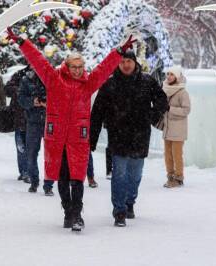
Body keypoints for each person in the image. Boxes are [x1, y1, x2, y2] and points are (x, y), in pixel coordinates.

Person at [7, 27, 136, 232]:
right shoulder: (54, 79)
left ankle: (77, 214)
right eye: (74, 66)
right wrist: (23, 43)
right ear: (66, 66)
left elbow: (104, 69)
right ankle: (67, 211)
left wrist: (119, 52)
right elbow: (39, 61)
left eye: (80, 66)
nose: (77, 70)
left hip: (78, 138)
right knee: (62, 177)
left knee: (77, 178)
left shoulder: (88, 83)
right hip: (57, 137)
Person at [90, 50, 168, 227]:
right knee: (119, 174)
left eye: (129, 61)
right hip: (117, 136)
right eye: (123, 61)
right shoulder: (109, 84)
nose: (126, 65)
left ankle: (130, 202)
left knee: (135, 175)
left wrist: (151, 115)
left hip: (140, 135)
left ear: (135, 62)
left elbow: (162, 101)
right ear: (118, 64)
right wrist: (92, 139)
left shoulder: (147, 81)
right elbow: (97, 113)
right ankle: (119, 211)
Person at [18, 67, 55, 196]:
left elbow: (60, 97)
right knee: (31, 153)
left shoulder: (52, 77)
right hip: (33, 121)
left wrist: (48, 103)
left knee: (51, 155)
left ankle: (48, 185)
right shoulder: (26, 79)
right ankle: (34, 182)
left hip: (50, 121)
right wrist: (32, 102)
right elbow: (20, 98)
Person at [162, 66, 190, 188]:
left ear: (177, 77)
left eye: (172, 74)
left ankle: (178, 178)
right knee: (167, 154)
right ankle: (170, 176)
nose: (169, 76)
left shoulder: (182, 92)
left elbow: (186, 110)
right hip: (167, 128)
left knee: (176, 155)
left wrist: (170, 109)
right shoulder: (165, 89)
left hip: (178, 129)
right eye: (168, 74)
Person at [4, 66, 29, 181]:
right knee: (21, 147)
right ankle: (24, 172)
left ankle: (30, 171)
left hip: (35, 119)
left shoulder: (41, 75)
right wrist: (19, 90)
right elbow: (7, 89)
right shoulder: (20, 74)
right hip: (19, 117)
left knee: (32, 148)